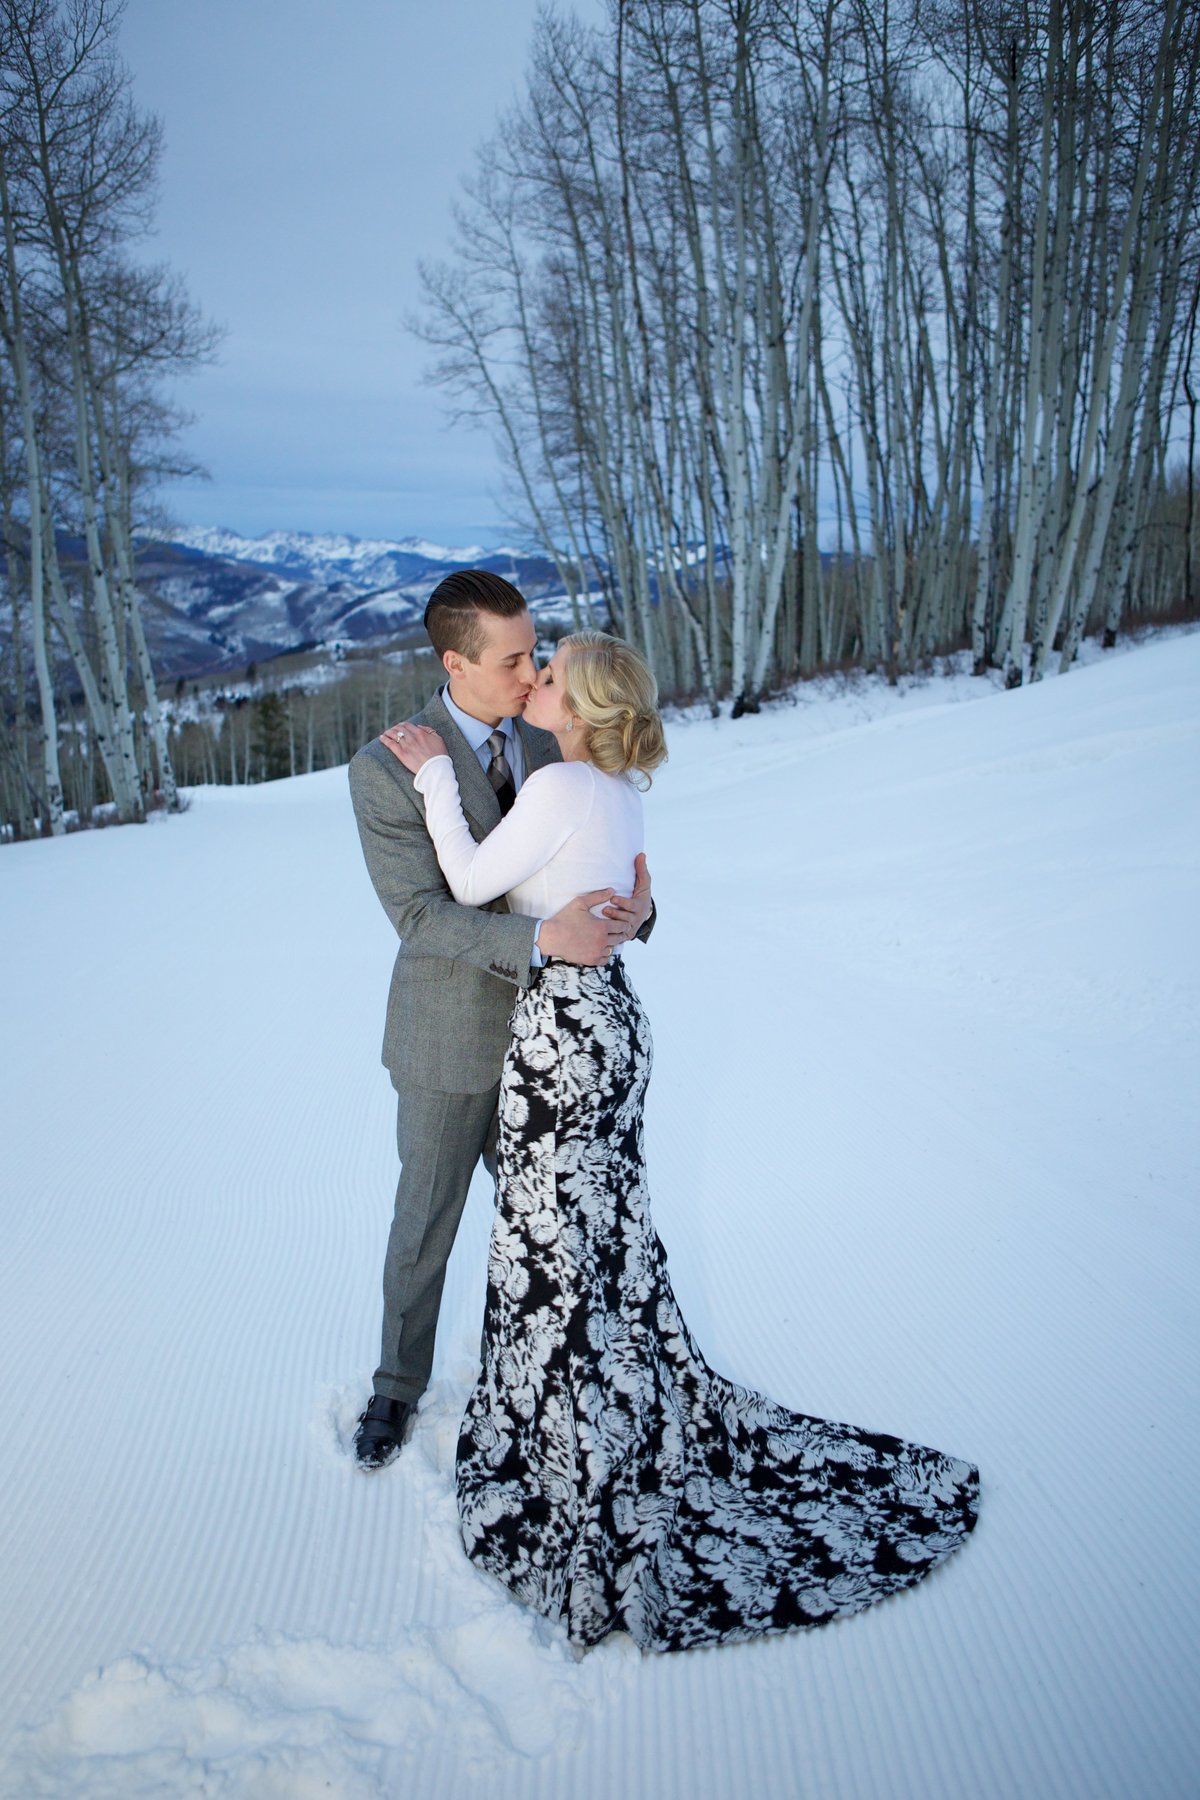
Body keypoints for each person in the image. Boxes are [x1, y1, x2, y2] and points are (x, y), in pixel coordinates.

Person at [382, 629, 980, 1655]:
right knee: (597, 1239)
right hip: (609, 1020)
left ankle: (570, 1446)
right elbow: (610, 895)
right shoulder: (617, 793)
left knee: (555, 1248)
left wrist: (437, 776)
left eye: (552, 671)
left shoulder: (565, 788)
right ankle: (582, 1409)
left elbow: (474, 882)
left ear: (579, 705)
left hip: (565, 1030)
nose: (536, 677)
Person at [347, 572, 654, 1468]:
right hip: (448, 1039)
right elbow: (423, 916)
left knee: (548, 1231)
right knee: (426, 1223)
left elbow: (593, 854)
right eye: (514, 658)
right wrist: (543, 941)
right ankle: (396, 1389)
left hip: (552, 1055)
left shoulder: (555, 737)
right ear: (457, 662)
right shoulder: (389, 765)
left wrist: (637, 912)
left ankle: (544, 1385)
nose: (531, 672)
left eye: (536, 653)